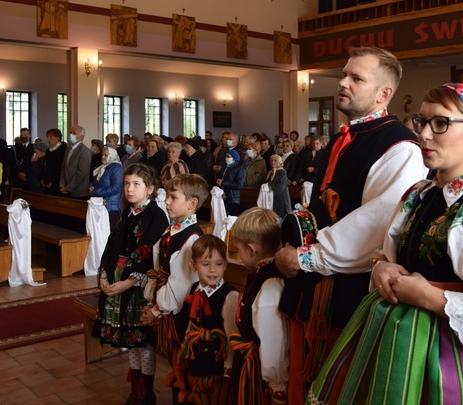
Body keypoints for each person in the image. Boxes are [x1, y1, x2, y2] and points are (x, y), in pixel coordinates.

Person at [310, 83, 463, 403]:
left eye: (441, 123)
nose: (424, 135)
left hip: (459, 355)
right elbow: (387, 251)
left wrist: (431, 296)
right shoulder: (417, 193)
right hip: (396, 339)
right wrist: (381, 267)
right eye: (422, 121)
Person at [274, 46, 425, 403]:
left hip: (349, 289)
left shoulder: (400, 147)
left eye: (356, 78)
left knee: (336, 386)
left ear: (383, 94)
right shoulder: (346, 137)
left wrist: (305, 258)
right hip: (315, 285)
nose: (342, 82)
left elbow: (377, 224)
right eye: (344, 74)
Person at [97, 163, 169, 405]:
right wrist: (105, 274)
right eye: (127, 184)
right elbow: (111, 244)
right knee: (130, 340)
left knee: (142, 341)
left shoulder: (156, 216)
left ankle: (146, 393)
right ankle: (136, 390)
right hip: (119, 278)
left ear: (149, 189)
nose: (129, 189)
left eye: (136, 184)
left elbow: (148, 253)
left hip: (138, 285)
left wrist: (128, 282)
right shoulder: (127, 212)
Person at [141, 173, 208, 404]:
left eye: (173, 197)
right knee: (175, 363)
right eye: (167, 196)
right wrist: (151, 299)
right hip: (167, 309)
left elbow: (180, 286)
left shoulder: (191, 238)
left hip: (180, 314)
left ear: (191, 203)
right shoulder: (172, 231)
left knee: (183, 366)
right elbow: (160, 270)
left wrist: (156, 310)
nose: (166, 202)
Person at [228, 208, 289, 404]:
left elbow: (274, 342)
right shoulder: (262, 274)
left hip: (260, 374)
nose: (239, 255)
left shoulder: (270, 284)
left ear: (252, 250)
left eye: (238, 251)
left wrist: (276, 385)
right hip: (251, 363)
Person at [178, 235, 238, 404]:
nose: (213, 270)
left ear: (225, 265)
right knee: (199, 396)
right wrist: (184, 348)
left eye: (218, 264)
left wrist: (229, 369)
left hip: (218, 365)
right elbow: (192, 324)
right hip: (198, 362)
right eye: (206, 264)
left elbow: (231, 334)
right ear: (193, 265)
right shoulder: (194, 290)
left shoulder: (230, 296)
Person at [89, 146, 123, 231]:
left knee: (109, 232)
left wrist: (96, 191)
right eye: (102, 155)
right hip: (100, 204)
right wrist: (90, 186)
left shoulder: (117, 168)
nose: (102, 157)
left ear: (112, 156)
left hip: (112, 206)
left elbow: (117, 187)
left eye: (105, 155)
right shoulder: (102, 167)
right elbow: (96, 181)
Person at [59, 125, 92, 198]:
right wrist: (62, 185)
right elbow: (64, 168)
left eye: (74, 133)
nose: (71, 135)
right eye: (70, 132)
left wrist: (68, 188)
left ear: (81, 136)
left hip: (79, 192)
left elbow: (81, 174)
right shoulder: (67, 150)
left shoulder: (84, 151)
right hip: (66, 190)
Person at [216, 149, 245, 216]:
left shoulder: (239, 169)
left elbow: (239, 185)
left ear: (234, 158)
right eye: (226, 156)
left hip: (233, 199)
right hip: (223, 197)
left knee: (231, 219)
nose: (226, 158)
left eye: (229, 157)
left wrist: (223, 182)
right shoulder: (224, 168)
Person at [42, 128, 66, 195]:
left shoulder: (61, 150)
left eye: (50, 137)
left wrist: (50, 180)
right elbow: (45, 165)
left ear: (57, 137)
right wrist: (44, 179)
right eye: (48, 137)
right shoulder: (48, 150)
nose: (48, 139)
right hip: (47, 181)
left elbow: (58, 167)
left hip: (56, 182)